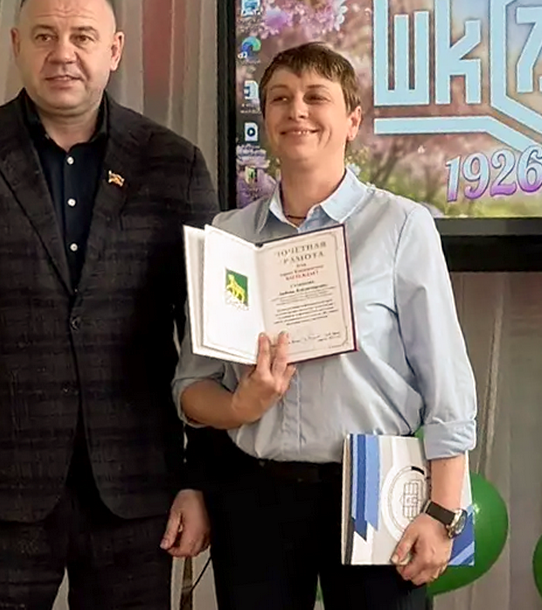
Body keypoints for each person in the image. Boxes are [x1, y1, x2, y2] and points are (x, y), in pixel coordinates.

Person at [0, 0, 221, 610]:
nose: (63, 53)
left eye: (82, 36)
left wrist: (199, 480)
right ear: (16, 45)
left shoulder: (173, 165)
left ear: (114, 50)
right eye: (44, 36)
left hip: (138, 496)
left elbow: (211, 340)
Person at [172, 42, 479, 610]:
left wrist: (443, 511)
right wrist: (239, 406)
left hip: (374, 494)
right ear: (265, 119)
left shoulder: (400, 226)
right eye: (280, 99)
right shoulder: (229, 236)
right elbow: (191, 387)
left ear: (352, 120)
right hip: (254, 496)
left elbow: (447, 383)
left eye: (316, 97)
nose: (297, 111)